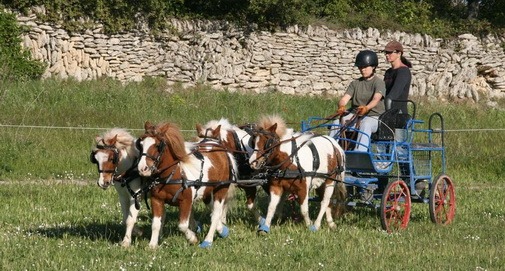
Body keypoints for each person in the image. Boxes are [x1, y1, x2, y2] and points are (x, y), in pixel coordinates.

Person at [329, 50, 386, 152]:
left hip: (374, 117)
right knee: (336, 122)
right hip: (355, 115)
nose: (362, 70)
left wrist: (366, 108)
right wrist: (341, 106)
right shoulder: (355, 83)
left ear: (373, 67)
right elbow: (344, 99)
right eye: (360, 67)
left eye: (365, 67)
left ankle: (360, 152)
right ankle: (331, 151)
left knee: (366, 124)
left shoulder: (379, 83)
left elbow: (376, 99)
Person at [383, 40, 412, 114]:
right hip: (386, 110)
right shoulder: (388, 72)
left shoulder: (403, 71)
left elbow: (394, 94)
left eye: (390, 52)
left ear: (399, 54)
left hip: (399, 113)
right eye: (386, 52)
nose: (387, 55)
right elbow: (383, 92)